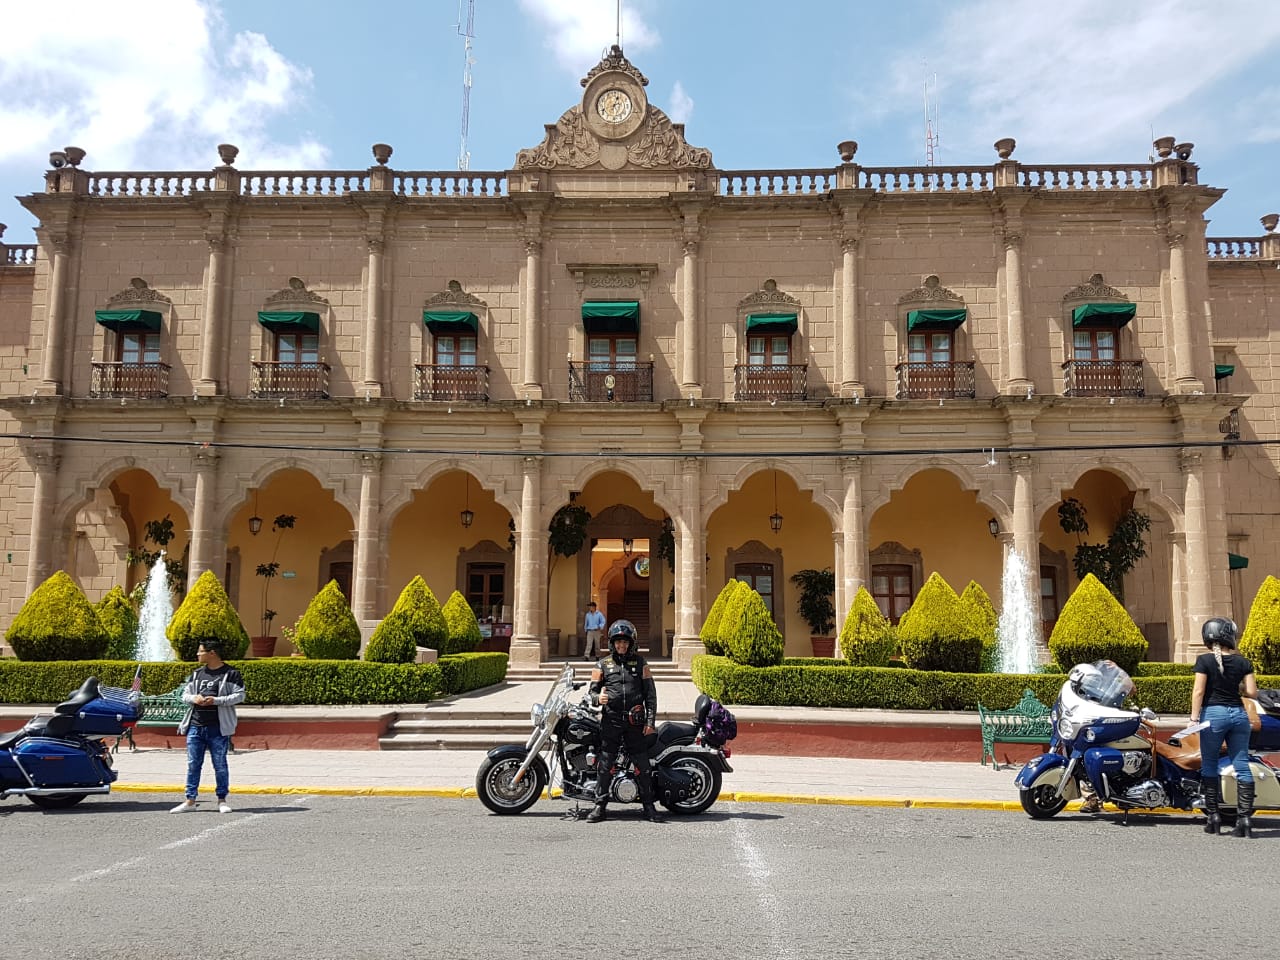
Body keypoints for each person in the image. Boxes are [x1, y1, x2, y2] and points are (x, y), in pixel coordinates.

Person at [585, 619, 663, 823]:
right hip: (611, 721)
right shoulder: (602, 664)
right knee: (605, 765)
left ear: (631, 643)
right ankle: (600, 806)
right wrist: (596, 698)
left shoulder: (641, 663)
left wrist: (650, 722)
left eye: (625, 642)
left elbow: (651, 696)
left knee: (642, 766)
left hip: (635, 723)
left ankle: (649, 806)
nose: (621, 645)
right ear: (612, 643)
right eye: (618, 642)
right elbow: (590, 693)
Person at [1190, 616, 1258, 837]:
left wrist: (1193, 717)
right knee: (1242, 765)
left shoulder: (1204, 661)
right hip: (1239, 715)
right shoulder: (1243, 662)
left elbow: (1199, 691)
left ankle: (1213, 817)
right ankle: (1245, 819)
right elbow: (1251, 693)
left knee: (1209, 763)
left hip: (1213, 715)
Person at [170, 639, 246, 814]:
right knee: (193, 764)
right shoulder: (197, 674)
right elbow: (185, 694)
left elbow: (240, 696)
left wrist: (216, 701)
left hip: (218, 727)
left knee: (220, 764)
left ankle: (222, 800)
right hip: (196, 725)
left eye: (200, 651)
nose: (198, 654)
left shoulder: (231, 673)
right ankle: (190, 801)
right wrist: (194, 698)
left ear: (212, 653)